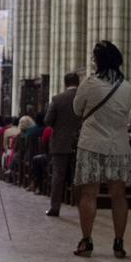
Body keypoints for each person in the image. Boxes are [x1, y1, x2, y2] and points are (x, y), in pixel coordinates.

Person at [72, 41, 131, 258]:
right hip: (119, 145)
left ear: (98, 61)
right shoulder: (127, 86)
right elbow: (127, 113)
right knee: (119, 195)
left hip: (91, 144)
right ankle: (119, 242)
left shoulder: (90, 83)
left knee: (89, 194)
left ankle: (86, 241)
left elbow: (77, 108)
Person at [43, 72, 82, 217]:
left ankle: (55, 208)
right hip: (81, 141)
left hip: (60, 142)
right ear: (79, 83)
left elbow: (47, 120)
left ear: (65, 83)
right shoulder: (84, 99)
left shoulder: (58, 99)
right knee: (81, 176)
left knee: (58, 176)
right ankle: (82, 206)